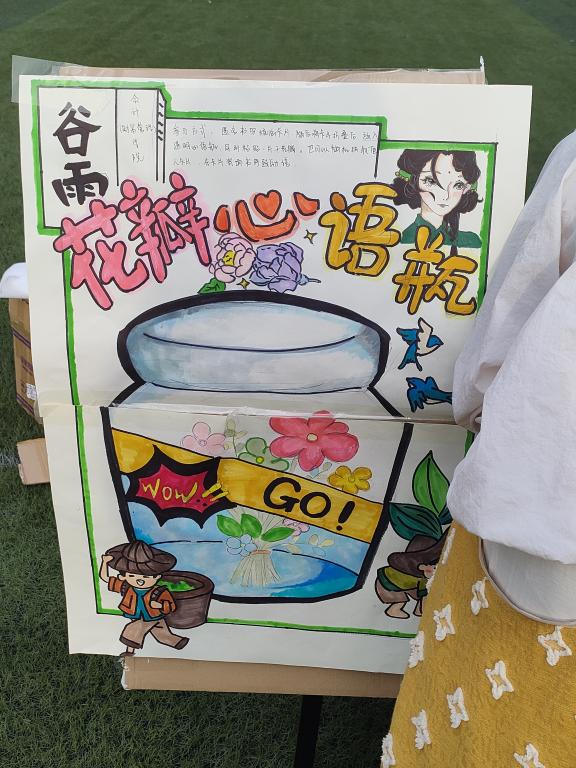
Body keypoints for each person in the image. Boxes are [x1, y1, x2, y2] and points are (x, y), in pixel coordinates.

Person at [381, 131, 576, 767]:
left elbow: (515, 301)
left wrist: (481, 407)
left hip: (544, 494)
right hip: (542, 490)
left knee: (485, 708)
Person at [99, 539, 189, 657]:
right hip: (138, 616)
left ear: (157, 577)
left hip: (153, 616)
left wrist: (159, 605)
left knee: (134, 630)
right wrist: (104, 563)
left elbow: (170, 606)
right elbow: (105, 578)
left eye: (147, 576)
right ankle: (178, 643)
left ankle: (129, 653)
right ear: (123, 577)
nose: (140, 580)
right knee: (162, 635)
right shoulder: (126, 587)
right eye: (132, 576)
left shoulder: (159, 591)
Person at [391, 149, 482, 251]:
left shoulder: (472, 242)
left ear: (467, 188)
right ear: (414, 181)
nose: (445, 195)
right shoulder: (402, 239)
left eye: (458, 185)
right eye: (431, 181)